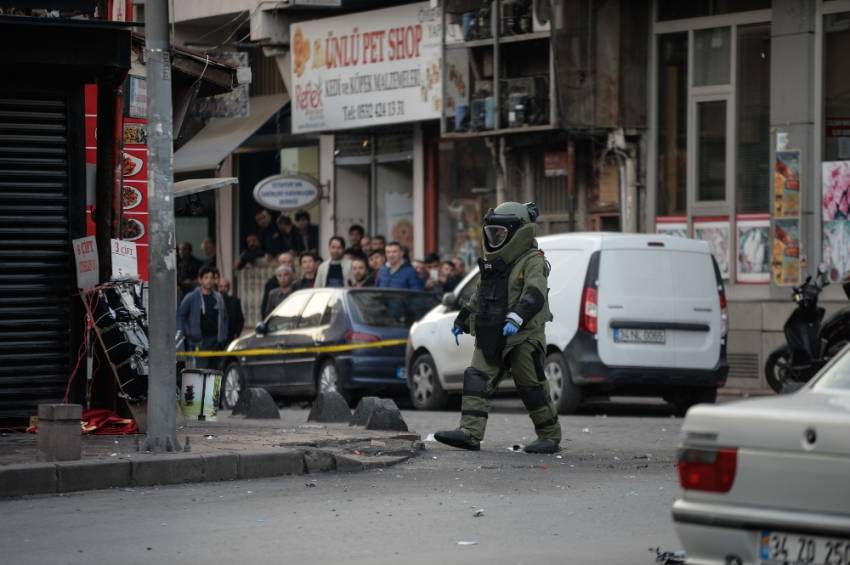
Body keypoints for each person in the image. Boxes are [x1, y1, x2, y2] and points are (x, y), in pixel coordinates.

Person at [435, 202, 561, 454]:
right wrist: (463, 318)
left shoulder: (532, 261)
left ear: (519, 233)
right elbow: (479, 295)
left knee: (531, 386)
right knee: (476, 378)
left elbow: (535, 293)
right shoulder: (494, 263)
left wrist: (517, 316)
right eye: (492, 233)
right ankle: (470, 433)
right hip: (491, 330)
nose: (495, 239)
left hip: (523, 335)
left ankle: (549, 435)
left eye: (501, 234)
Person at [177, 267, 229, 370]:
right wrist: (188, 332)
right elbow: (180, 315)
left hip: (216, 342)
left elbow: (225, 318)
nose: (209, 280)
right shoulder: (192, 297)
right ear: (200, 280)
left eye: (211, 278)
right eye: (206, 277)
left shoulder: (218, 297)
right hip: (199, 342)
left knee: (216, 373)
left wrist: (223, 337)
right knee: (200, 372)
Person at [260, 252, 295, 318]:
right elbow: (266, 308)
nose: (287, 264)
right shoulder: (271, 284)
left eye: (289, 262)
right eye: (284, 262)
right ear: (278, 263)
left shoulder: (298, 281)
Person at [218, 278, 244, 343]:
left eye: (225, 286)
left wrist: (237, 333)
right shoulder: (213, 301)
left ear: (228, 288)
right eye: (221, 286)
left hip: (230, 336)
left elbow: (240, 319)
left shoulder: (235, 301)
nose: (223, 289)